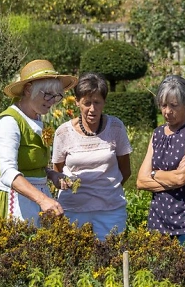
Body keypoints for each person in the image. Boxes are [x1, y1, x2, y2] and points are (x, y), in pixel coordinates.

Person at [0, 59, 77, 226]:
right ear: (28, 90)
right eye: (47, 94)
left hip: (35, 200)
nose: (52, 101)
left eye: (56, 96)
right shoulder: (9, 122)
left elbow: (31, 163)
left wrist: (51, 174)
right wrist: (42, 199)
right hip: (10, 200)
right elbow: (7, 172)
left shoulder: (37, 118)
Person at [51, 72, 132, 240]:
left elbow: (126, 170)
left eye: (97, 102)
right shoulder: (63, 133)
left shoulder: (115, 127)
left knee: (112, 258)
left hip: (110, 210)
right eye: (87, 103)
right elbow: (57, 172)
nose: (92, 109)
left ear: (104, 102)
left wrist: (106, 189)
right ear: (77, 103)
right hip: (73, 210)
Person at [137, 75, 185, 247]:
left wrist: (155, 174)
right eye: (163, 105)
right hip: (158, 221)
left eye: (173, 106)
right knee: (157, 273)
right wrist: (172, 176)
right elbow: (141, 181)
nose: (167, 111)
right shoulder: (158, 134)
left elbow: (182, 178)